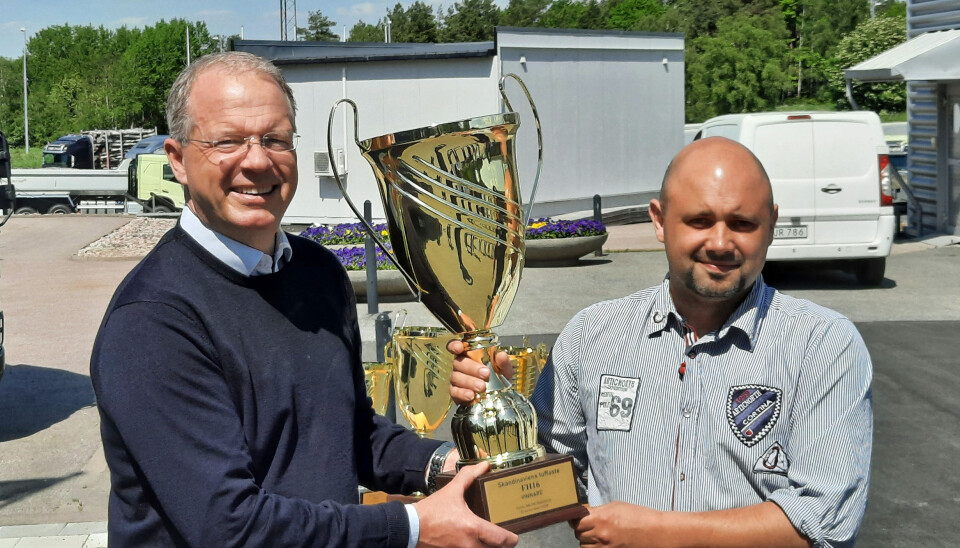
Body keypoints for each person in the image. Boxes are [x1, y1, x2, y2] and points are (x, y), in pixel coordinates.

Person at [90, 51, 518, 548]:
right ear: (178, 160)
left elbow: (346, 434)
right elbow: (228, 528)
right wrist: (414, 527)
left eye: (275, 139)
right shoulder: (153, 321)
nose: (257, 160)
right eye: (227, 141)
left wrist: (453, 464)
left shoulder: (318, 273)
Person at [449, 137, 872, 547]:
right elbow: (549, 478)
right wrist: (498, 410)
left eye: (743, 223)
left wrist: (657, 535)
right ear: (658, 220)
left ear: (772, 224)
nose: (721, 242)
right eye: (699, 221)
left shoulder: (823, 345)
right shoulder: (592, 336)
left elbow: (825, 522)